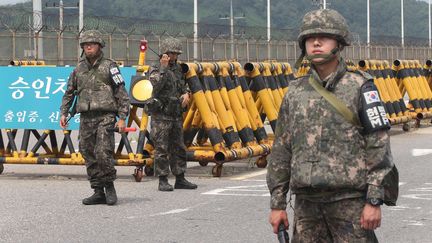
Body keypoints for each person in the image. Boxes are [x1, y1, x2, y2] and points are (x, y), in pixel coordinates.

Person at [267, 9, 395, 242]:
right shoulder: (295, 91)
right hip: (306, 206)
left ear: (339, 42)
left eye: (324, 37)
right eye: (309, 38)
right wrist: (277, 204)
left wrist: (374, 200)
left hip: (349, 203)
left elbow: (378, 145)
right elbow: (281, 150)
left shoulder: (361, 87)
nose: (315, 42)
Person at [60, 29, 130, 205]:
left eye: (91, 43)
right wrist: (64, 112)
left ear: (99, 46)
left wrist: (122, 117)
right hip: (86, 117)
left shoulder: (110, 66)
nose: (88, 46)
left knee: (102, 152)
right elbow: (69, 92)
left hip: (105, 116)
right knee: (87, 152)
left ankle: (109, 186)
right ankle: (98, 190)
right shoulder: (79, 68)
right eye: (85, 44)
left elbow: (121, 93)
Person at [147, 37, 197, 191]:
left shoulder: (178, 68)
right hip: (161, 115)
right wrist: (163, 68)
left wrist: (186, 94)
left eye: (176, 54)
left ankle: (180, 177)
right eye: (171, 53)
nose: (174, 57)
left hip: (175, 114)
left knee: (179, 147)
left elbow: (183, 85)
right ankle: (163, 179)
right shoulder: (155, 68)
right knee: (161, 148)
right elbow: (156, 86)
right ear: (164, 53)